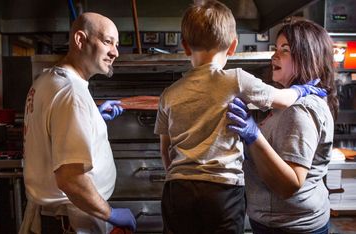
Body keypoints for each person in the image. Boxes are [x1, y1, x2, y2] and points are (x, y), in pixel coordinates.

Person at [154, 1, 326, 234]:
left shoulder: (169, 93)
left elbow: (165, 149)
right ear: (233, 46)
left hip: (177, 190)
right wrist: (302, 90)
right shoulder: (235, 80)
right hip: (222, 190)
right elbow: (282, 99)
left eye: (283, 49)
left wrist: (175, 177)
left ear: (184, 46)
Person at [20, 12, 136, 233]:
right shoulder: (71, 93)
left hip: (52, 218)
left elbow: (50, 134)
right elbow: (70, 179)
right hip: (69, 222)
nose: (115, 52)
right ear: (80, 40)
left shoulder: (46, 80)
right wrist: (111, 214)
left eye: (117, 44)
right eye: (108, 42)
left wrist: (92, 118)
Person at [227, 18, 338, 234]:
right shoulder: (287, 102)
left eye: (284, 50)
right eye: (275, 49)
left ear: (307, 56)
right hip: (279, 221)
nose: (274, 56)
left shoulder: (300, 109)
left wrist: (253, 135)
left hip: (291, 226)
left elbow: (290, 184)